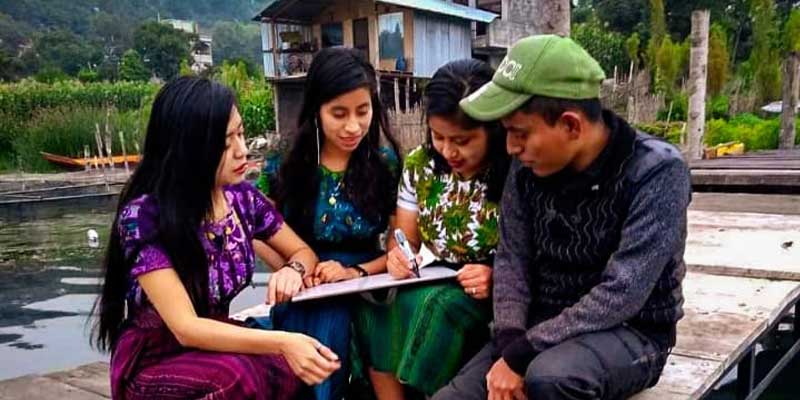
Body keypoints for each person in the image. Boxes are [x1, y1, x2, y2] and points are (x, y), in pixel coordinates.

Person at [433, 34, 690, 400]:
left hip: (632, 331)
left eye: (519, 133)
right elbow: (512, 258)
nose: (510, 147)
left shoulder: (656, 172)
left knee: (551, 379)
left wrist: (522, 355)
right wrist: (509, 340)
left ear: (571, 125)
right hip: (540, 325)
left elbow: (623, 292)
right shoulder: (525, 170)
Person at [92, 77, 340, 400]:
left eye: (240, 133)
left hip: (218, 342)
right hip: (157, 360)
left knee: (290, 370)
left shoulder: (242, 200)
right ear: (189, 149)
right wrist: (283, 340)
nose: (242, 150)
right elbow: (186, 328)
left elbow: (303, 252)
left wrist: (293, 270)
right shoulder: (144, 218)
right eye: (226, 143)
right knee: (237, 378)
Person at [354, 59, 511, 399]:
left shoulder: (515, 170)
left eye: (463, 139)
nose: (448, 150)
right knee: (375, 305)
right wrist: (398, 258)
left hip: (495, 288)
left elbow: (534, 254)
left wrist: (494, 274)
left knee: (434, 308)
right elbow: (405, 242)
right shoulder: (421, 166)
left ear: (494, 128)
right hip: (439, 275)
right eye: (438, 136)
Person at [254, 46, 401, 400]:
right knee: (326, 317)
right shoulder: (282, 165)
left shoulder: (385, 163)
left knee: (355, 319)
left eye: (362, 112)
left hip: (369, 280)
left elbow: (399, 246)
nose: (353, 126)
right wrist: (294, 271)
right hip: (305, 285)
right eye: (339, 113)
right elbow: (255, 231)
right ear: (316, 111)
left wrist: (357, 273)